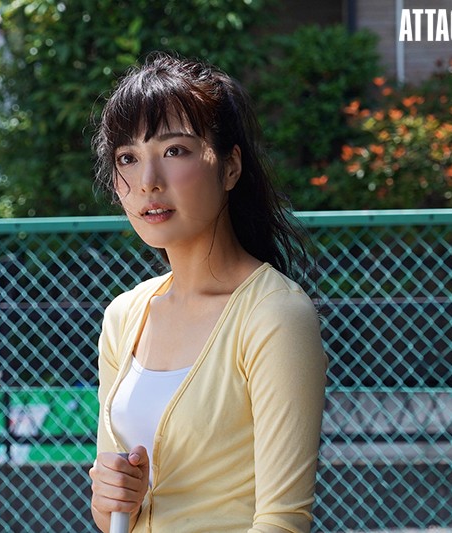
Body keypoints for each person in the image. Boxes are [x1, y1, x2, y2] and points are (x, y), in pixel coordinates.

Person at [87, 51, 327, 533]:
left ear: (231, 167)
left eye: (174, 151)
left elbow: (282, 522)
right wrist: (109, 495)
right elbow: (112, 516)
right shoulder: (125, 316)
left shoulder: (275, 315)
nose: (148, 182)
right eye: (128, 158)